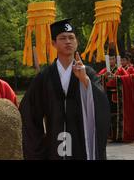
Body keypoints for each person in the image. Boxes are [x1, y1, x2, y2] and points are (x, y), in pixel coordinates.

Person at [19, 18, 110, 160]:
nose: (68, 41)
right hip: (54, 143)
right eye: (62, 38)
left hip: (81, 144)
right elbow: (28, 112)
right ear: (54, 43)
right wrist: (39, 145)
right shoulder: (45, 77)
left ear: (77, 42)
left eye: (71, 38)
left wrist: (84, 81)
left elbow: (102, 106)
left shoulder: (89, 73)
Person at [97, 50, 134, 142]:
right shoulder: (105, 70)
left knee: (118, 116)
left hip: (120, 96)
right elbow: (96, 78)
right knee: (109, 115)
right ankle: (111, 135)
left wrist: (117, 78)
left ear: (115, 60)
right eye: (109, 59)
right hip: (108, 96)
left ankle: (119, 135)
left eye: (112, 59)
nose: (111, 61)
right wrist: (104, 76)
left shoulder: (120, 69)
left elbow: (129, 79)